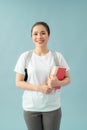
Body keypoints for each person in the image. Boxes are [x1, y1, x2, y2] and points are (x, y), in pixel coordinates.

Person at [14, 21, 70, 130]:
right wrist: (40, 88)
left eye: (43, 33)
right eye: (35, 34)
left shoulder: (57, 56)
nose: (39, 36)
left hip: (52, 107)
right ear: (32, 37)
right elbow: (18, 82)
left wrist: (57, 83)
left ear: (48, 35)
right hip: (31, 107)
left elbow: (68, 79)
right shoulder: (25, 57)